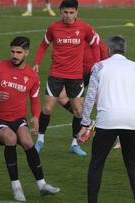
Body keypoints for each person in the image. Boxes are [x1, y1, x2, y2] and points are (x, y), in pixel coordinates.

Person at [0, 36, 60, 202]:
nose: (15, 55)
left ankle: (42, 185)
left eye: (19, 52)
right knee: (11, 138)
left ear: (26, 53)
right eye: (13, 51)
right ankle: (16, 187)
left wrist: (36, 117)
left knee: (28, 142)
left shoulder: (32, 76)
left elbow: (35, 99)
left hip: (17, 119)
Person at [78, 35, 135, 203]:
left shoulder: (99, 67)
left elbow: (90, 97)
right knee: (132, 162)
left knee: (97, 163)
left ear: (108, 50)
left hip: (107, 121)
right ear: (125, 50)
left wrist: (85, 123)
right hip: (131, 121)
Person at [33, 0, 101, 156]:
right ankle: (40, 141)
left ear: (76, 12)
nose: (68, 16)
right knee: (47, 108)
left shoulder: (84, 28)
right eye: (65, 12)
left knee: (78, 111)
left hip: (76, 77)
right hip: (56, 74)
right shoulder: (53, 27)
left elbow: (94, 44)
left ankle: (74, 144)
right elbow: (43, 45)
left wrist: (96, 64)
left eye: (71, 12)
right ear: (60, 12)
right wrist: (37, 62)